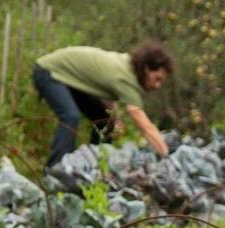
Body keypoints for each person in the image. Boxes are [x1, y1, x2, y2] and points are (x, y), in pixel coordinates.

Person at [32, 41, 174, 167]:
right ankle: (56, 169)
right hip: (49, 72)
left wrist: (115, 118)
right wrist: (167, 156)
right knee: (70, 115)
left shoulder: (127, 65)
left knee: (106, 121)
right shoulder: (126, 78)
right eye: (157, 79)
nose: (157, 85)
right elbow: (145, 126)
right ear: (146, 68)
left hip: (69, 78)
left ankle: (98, 167)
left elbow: (106, 89)